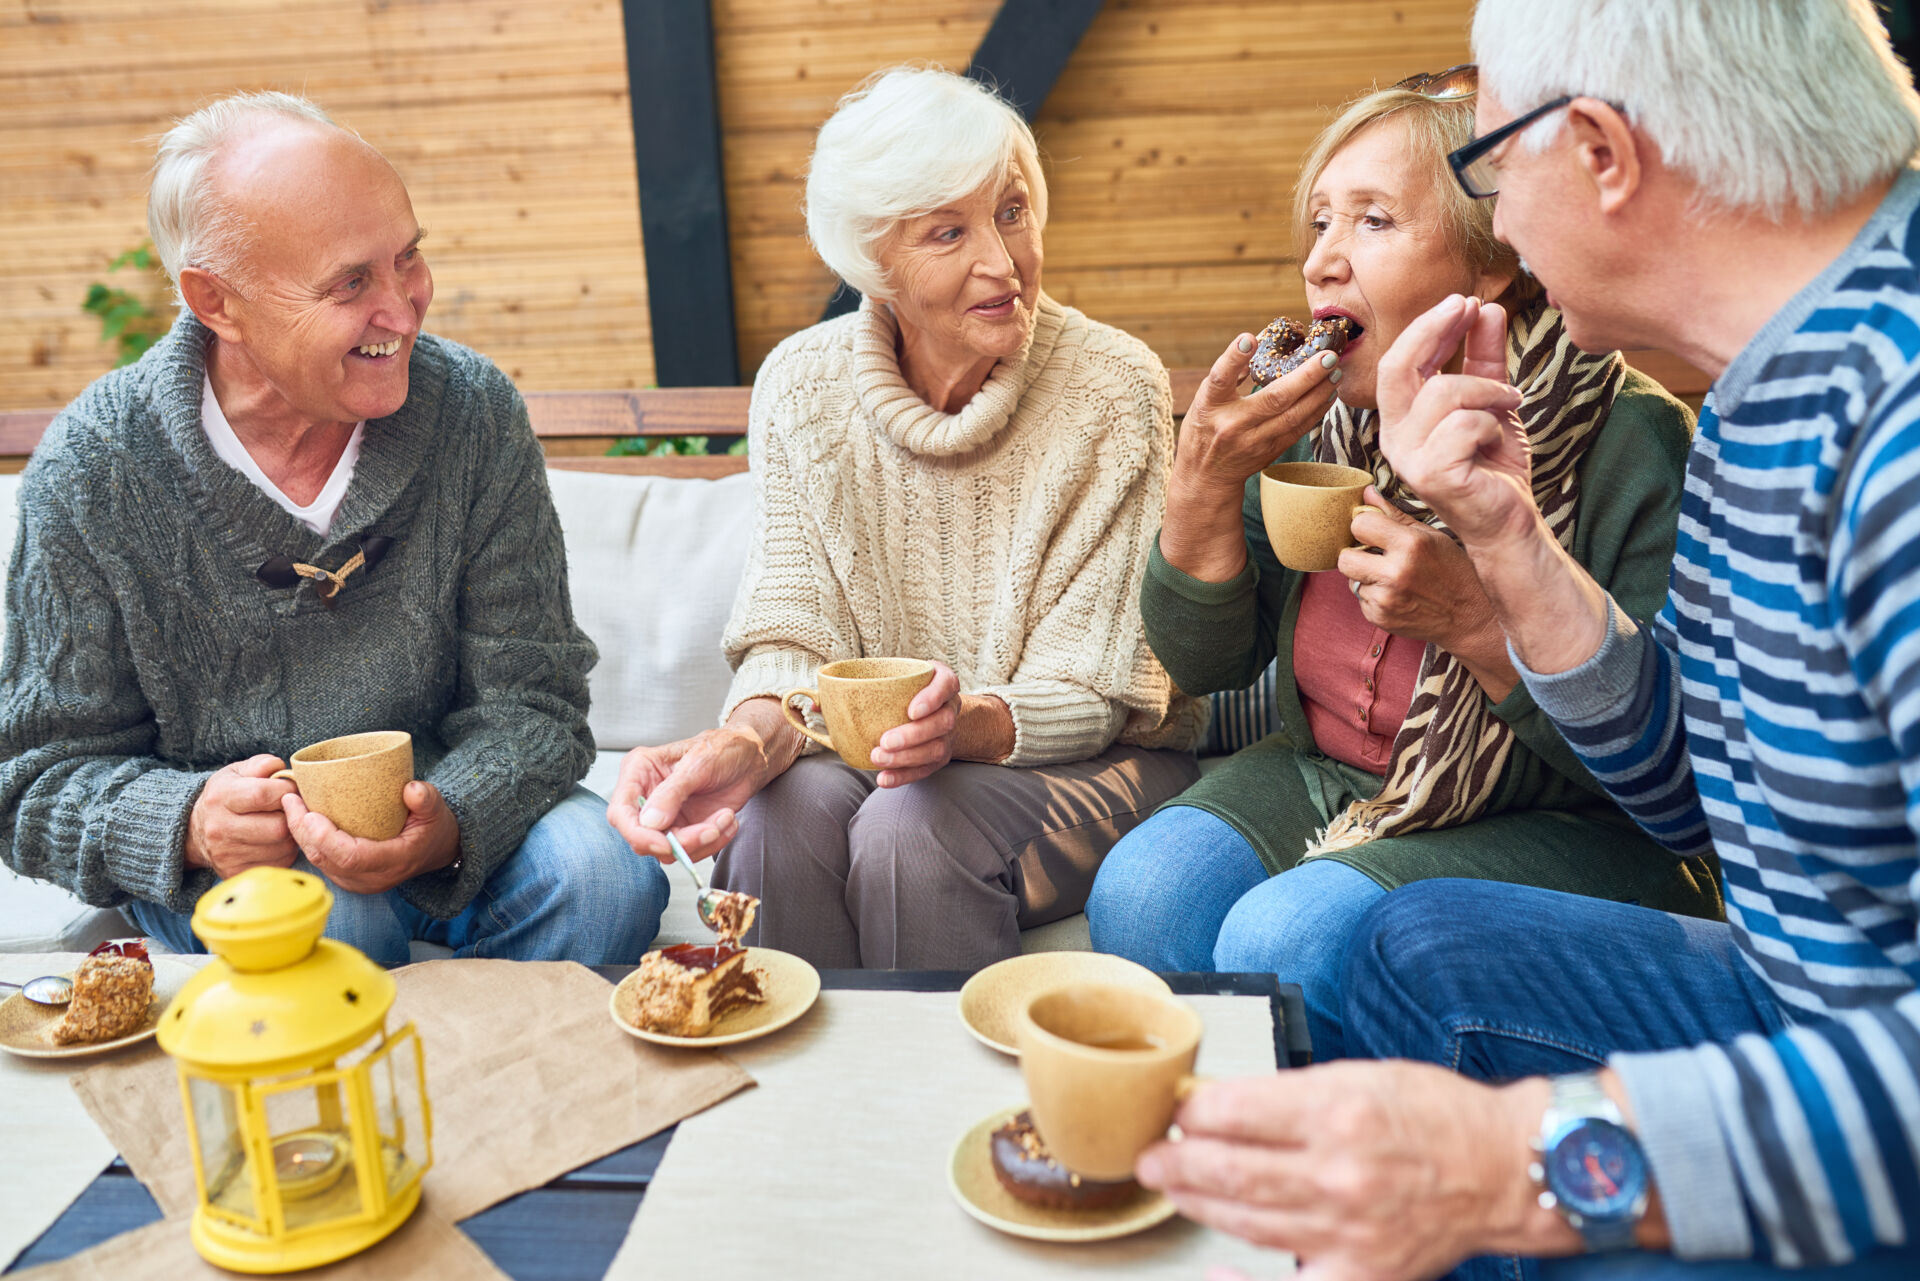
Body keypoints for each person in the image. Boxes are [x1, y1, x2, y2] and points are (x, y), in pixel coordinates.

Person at [1134, 3, 1920, 1279]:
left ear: (1601, 153)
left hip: (1864, 1075)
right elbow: (1695, 802)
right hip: (1794, 991)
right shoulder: (1751, 402)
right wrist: (1509, 540)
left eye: (1490, 168)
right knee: (1408, 949)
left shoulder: (1894, 439)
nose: (1497, 221)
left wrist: (1524, 1162)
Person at [1086, 69, 1717, 1059]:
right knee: (1140, 894)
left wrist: (1475, 619)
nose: (1324, 264)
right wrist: (1203, 487)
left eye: (1372, 222)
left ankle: (1318, 1188)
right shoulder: (1317, 418)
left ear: (1493, 259)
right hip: (1324, 775)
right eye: (1319, 224)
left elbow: (1674, 776)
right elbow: (1209, 664)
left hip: (1572, 823)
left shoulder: (1632, 442)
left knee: (1280, 940)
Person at [0, 92, 668, 965]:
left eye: (408, 257)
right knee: (331, 923)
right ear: (218, 302)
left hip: (455, 821)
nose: (404, 308)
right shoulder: (97, 468)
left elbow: (535, 704)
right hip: (237, 873)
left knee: (608, 874)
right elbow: (32, 780)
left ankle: (502, 1083)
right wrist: (190, 822)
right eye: (351, 283)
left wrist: (448, 818)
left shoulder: (471, 414)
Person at [606, 67, 1204, 970]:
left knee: (910, 827)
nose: (1003, 263)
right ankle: (805, 1105)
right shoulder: (802, 388)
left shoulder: (1112, 386)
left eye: (1012, 211)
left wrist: (961, 724)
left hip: (1091, 758)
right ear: (875, 264)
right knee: (776, 815)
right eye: (948, 232)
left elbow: (1100, 685)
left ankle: (945, 1106)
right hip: (886, 759)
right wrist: (741, 742)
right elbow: (791, 635)